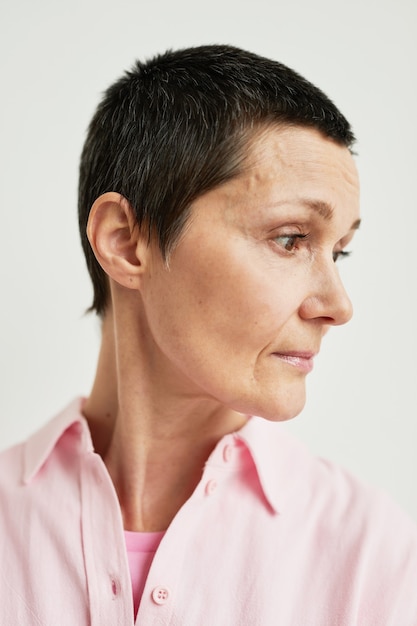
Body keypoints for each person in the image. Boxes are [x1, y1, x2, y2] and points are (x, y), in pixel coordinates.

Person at [1, 44, 416, 626]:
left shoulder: (378, 561)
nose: (338, 307)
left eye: (340, 251)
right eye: (292, 239)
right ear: (125, 242)